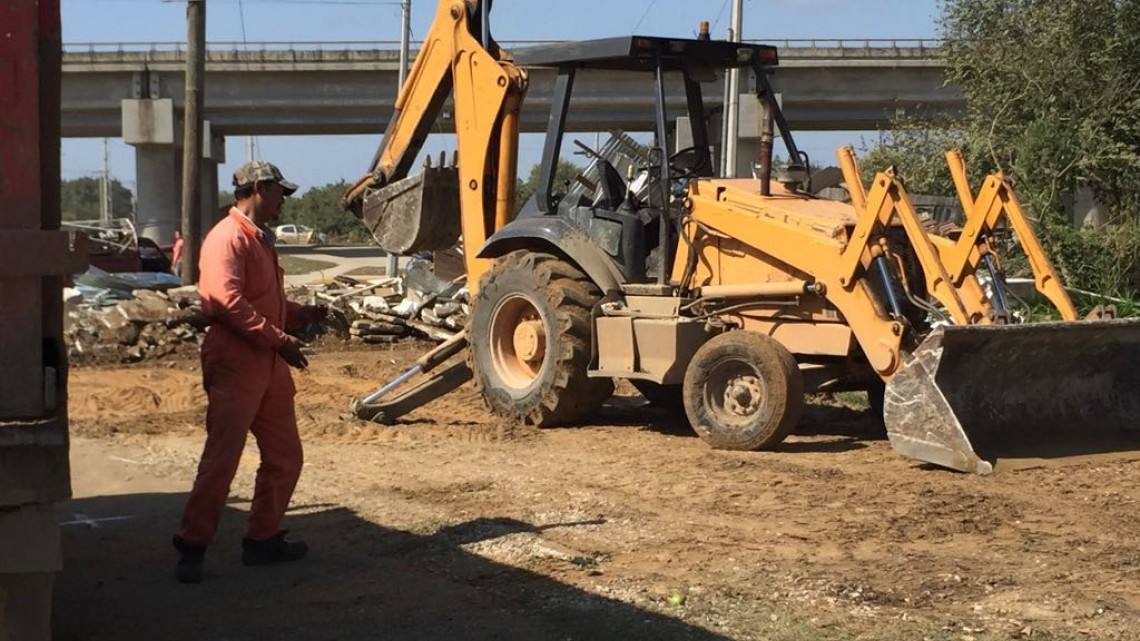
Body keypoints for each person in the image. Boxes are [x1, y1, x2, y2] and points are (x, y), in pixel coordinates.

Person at [172, 160, 325, 584]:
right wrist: (279, 339)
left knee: (284, 456)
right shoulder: (228, 238)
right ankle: (192, 544)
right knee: (223, 457)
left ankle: (263, 539)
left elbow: (261, 302)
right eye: (280, 192)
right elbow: (225, 302)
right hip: (238, 359)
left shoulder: (259, 240)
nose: (284, 201)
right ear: (257, 188)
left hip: (267, 361)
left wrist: (301, 313)